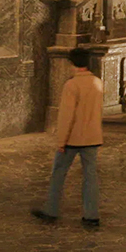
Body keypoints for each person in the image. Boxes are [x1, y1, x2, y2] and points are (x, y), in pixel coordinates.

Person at [32, 49, 104, 228]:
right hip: (92, 137)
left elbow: (66, 116)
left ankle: (51, 210)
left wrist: (61, 142)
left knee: (58, 173)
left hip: (72, 139)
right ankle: (91, 215)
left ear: (72, 64)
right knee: (90, 176)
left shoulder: (71, 85)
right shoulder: (97, 82)